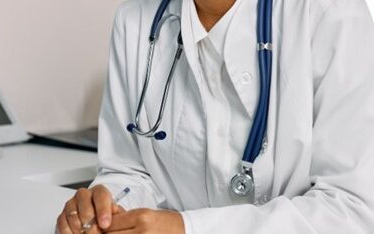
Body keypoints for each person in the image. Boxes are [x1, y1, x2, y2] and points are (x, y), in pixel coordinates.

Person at [57, 0, 374, 233]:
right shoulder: (136, 21)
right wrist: (105, 208)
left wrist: (188, 228)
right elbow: (129, 171)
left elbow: (352, 211)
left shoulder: (334, 14)